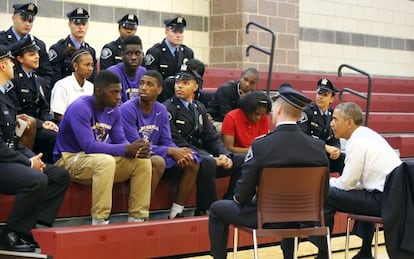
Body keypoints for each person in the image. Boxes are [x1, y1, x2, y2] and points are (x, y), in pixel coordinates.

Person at [208, 83, 329, 259]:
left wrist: (240, 199)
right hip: (305, 217)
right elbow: (324, 194)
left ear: (278, 109)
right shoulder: (318, 147)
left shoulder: (261, 145)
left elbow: (242, 196)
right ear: (300, 115)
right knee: (289, 208)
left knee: (217, 209)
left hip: (267, 217)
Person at [54, 70, 152, 225]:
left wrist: (136, 149)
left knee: (143, 162)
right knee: (105, 162)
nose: (119, 97)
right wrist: (127, 149)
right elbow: (88, 146)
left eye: (119, 92)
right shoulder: (80, 107)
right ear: (99, 91)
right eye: (114, 92)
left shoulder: (114, 109)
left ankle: (137, 218)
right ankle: (100, 220)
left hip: (94, 160)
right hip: (68, 159)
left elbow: (120, 140)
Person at [0, 45, 70, 252]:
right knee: (36, 179)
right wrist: (28, 162)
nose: (13, 64)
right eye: (10, 61)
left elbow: (13, 140)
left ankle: (33, 227)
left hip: (10, 157)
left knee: (58, 175)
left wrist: (34, 159)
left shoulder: (5, 96)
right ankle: (11, 233)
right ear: (2, 65)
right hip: (2, 162)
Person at [121, 70, 216, 218]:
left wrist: (179, 152)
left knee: (191, 160)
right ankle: (140, 215)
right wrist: (171, 151)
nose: (143, 87)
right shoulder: (128, 108)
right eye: (141, 83)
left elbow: (167, 140)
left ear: (159, 90)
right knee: (157, 163)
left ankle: (176, 212)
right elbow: (135, 145)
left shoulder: (161, 110)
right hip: (134, 154)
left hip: (157, 151)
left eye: (149, 84)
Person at [313, 102, 402, 259]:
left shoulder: (357, 142)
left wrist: (328, 182)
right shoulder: (368, 134)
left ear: (348, 122)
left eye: (335, 119)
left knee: (327, 194)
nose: (331, 123)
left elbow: (347, 183)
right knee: (360, 194)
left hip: (383, 200)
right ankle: (365, 252)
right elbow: (355, 183)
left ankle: (323, 254)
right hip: (393, 199)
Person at [164, 64, 244, 201]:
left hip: (202, 156)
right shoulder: (168, 108)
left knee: (242, 160)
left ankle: (231, 201)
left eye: (185, 83)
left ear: (195, 87)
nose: (179, 86)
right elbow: (176, 140)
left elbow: (211, 137)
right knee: (208, 162)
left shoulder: (199, 107)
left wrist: (224, 154)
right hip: (182, 159)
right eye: (177, 82)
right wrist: (210, 157)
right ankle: (206, 208)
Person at [8, 35, 58, 164]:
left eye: (37, 53)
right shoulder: (13, 79)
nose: (37, 57)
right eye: (31, 54)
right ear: (20, 58)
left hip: (38, 124)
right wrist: (42, 123)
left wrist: (49, 122)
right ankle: (43, 166)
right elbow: (16, 110)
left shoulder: (36, 79)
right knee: (53, 138)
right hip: (23, 126)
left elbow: (44, 107)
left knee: (61, 132)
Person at [0, 3, 53, 101]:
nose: (27, 24)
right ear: (13, 18)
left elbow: (47, 74)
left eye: (30, 20)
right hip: (5, 96)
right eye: (23, 19)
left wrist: (35, 85)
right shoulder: (2, 39)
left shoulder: (38, 44)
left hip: (30, 97)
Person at [298, 78, 345, 173]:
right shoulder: (307, 112)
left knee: (342, 159)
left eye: (325, 95)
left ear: (331, 99)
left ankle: (343, 186)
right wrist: (325, 147)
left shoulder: (333, 115)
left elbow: (335, 139)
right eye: (319, 93)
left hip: (324, 155)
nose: (320, 97)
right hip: (309, 154)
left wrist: (336, 150)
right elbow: (302, 137)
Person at [48, 7, 97, 87]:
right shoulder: (58, 49)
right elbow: (54, 80)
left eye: (83, 24)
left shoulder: (90, 51)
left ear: (87, 25)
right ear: (69, 24)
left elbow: (93, 79)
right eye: (77, 23)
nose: (81, 27)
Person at [208, 67, 259, 132]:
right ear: (240, 77)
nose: (247, 84)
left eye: (251, 83)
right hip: (217, 120)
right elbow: (226, 116)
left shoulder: (254, 95)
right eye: (245, 80)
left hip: (239, 123)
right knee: (229, 130)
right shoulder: (226, 89)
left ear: (255, 85)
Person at [50, 48, 94, 123]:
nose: (90, 69)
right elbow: (58, 115)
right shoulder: (62, 86)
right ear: (75, 66)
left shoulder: (91, 87)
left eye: (92, 65)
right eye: (86, 65)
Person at [107, 35, 146, 103]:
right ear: (122, 55)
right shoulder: (112, 73)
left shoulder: (144, 73)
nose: (134, 57)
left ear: (142, 55)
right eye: (129, 54)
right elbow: (115, 105)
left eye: (137, 53)